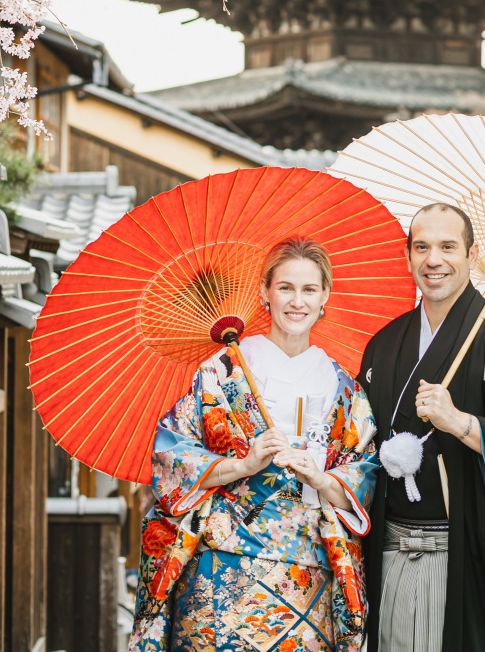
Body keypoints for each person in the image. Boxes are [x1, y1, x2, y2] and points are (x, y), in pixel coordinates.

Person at [130, 236, 379, 652]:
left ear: (324, 296)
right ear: (265, 292)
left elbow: (365, 473)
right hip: (222, 566)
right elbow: (172, 455)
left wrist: (320, 478)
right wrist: (243, 466)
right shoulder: (221, 372)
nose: (296, 301)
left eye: (309, 289)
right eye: (285, 288)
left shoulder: (344, 388)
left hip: (308, 570)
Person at [359, 202, 485, 652]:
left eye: (448, 247)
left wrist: (462, 423)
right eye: (421, 247)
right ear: (408, 256)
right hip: (389, 551)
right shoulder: (384, 344)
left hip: (465, 556)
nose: (433, 260)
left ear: (472, 255)